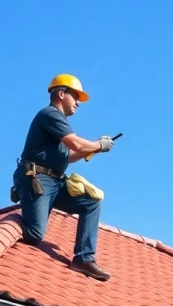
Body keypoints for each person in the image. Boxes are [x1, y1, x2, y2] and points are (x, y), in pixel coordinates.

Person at [12, 74, 115, 281]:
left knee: (91, 203)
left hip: (55, 181)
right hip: (38, 179)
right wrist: (98, 145)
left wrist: (94, 149)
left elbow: (69, 157)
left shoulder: (60, 124)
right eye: (75, 96)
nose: (78, 102)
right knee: (34, 234)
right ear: (61, 94)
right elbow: (76, 144)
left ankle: (83, 259)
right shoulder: (50, 114)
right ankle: (11, 221)